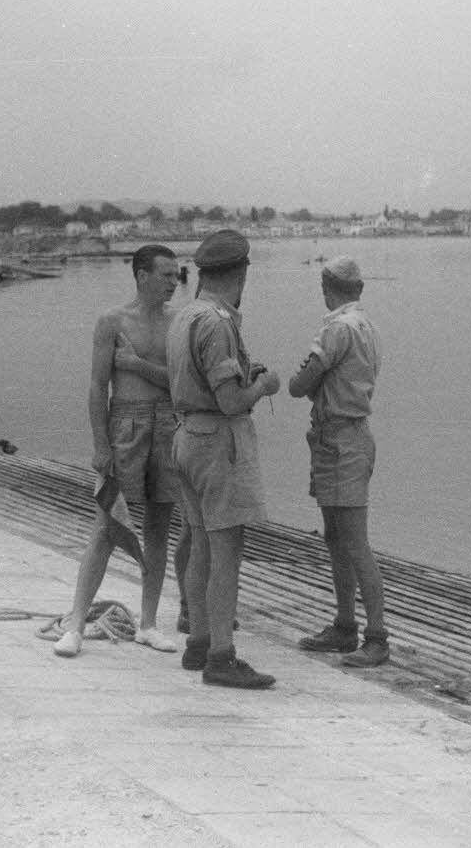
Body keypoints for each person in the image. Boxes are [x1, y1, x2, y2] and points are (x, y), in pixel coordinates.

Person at [52, 244, 184, 658]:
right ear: (142, 275)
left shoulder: (178, 322)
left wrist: (139, 366)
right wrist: (100, 443)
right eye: (166, 274)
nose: (175, 282)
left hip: (167, 423)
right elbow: (97, 385)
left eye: (177, 274)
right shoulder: (112, 321)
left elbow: (180, 383)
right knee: (106, 526)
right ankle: (75, 623)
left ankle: (148, 623)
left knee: (159, 525)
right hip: (125, 423)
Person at [167, 229, 280, 688]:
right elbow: (231, 401)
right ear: (241, 273)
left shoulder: (185, 315)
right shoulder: (217, 322)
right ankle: (221, 656)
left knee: (199, 545)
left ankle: (198, 643)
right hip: (216, 442)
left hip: (185, 436)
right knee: (226, 553)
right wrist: (263, 386)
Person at [288, 256, 388, 667]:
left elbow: (299, 386)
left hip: (340, 441)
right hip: (349, 436)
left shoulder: (336, 329)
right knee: (337, 537)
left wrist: (304, 380)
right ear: (358, 289)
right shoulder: (367, 326)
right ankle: (345, 626)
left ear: (326, 288)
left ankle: (376, 637)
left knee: (353, 542)